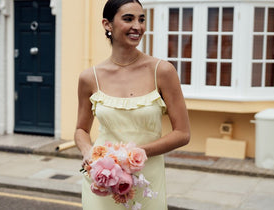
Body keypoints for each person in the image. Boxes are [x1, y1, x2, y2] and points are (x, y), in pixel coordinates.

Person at [74, 0, 190, 209]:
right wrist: (87, 151)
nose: (137, 26)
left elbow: (182, 133)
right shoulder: (89, 78)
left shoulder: (162, 71)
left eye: (141, 19)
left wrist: (132, 156)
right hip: (103, 181)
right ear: (107, 24)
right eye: (128, 19)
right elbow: (81, 129)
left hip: (147, 181)